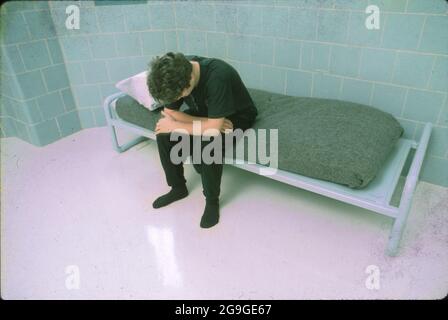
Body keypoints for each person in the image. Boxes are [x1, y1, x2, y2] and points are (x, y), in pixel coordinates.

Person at [146, 52, 258, 228]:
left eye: (179, 97)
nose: (177, 101)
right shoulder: (178, 71)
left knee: (208, 143)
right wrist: (210, 123)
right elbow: (170, 113)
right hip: (209, 115)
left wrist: (180, 125)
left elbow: (211, 130)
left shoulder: (218, 76)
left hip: (237, 116)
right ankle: (177, 188)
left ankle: (212, 201)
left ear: (190, 79)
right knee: (163, 134)